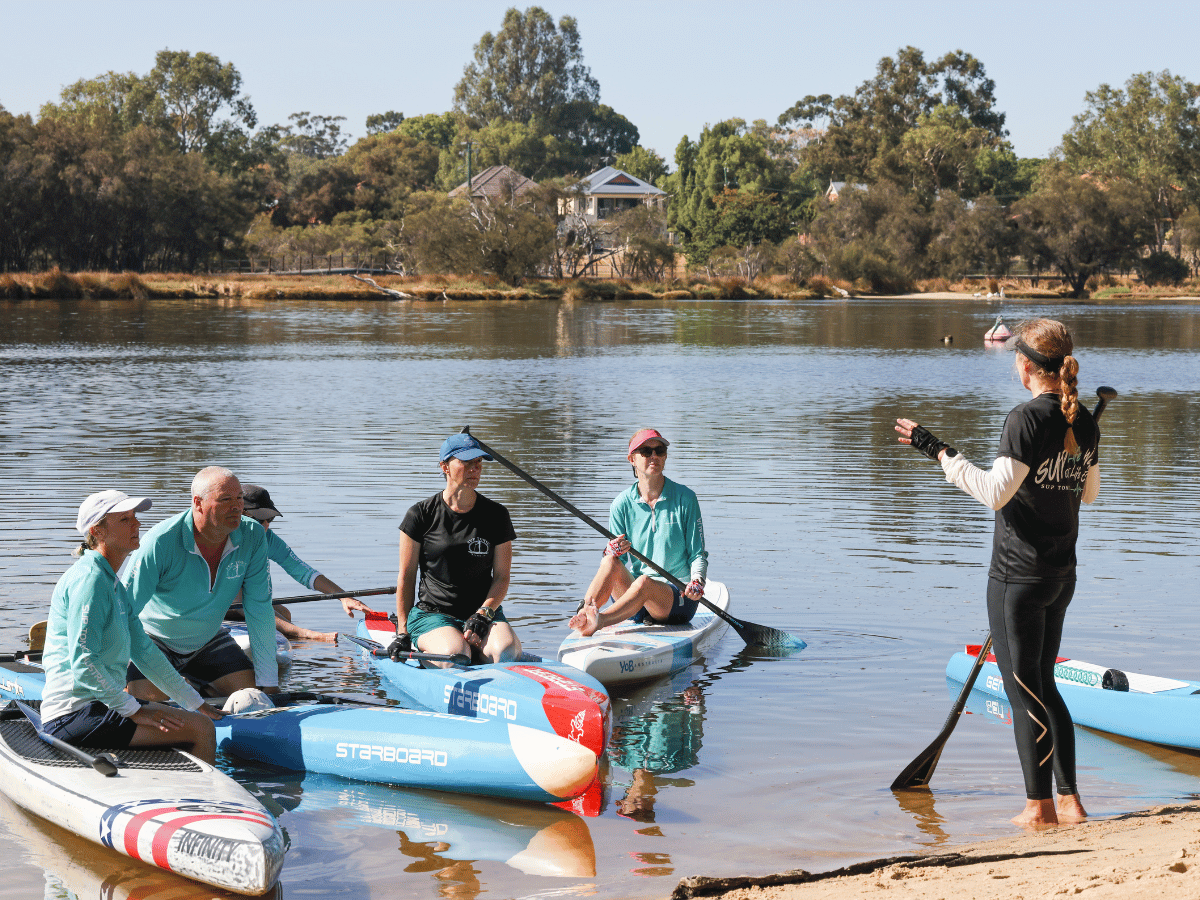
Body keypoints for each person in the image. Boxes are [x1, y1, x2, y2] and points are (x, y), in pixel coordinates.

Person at [895, 318, 1100, 827]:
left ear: (1025, 365)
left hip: (1017, 577)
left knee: (1022, 687)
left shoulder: (1024, 419)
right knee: (1044, 684)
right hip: (1061, 576)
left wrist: (937, 450)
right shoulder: (1085, 421)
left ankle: (1038, 807)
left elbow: (993, 494)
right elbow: (1089, 495)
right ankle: (1070, 802)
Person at [39, 490, 222, 764]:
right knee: (202, 730)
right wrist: (133, 710)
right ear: (97, 531)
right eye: (124, 519)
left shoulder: (113, 583)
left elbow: (145, 651)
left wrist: (195, 702)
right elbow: (83, 662)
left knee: (197, 719)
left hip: (99, 706)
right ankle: (206, 803)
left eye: (135, 517)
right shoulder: (90, 581)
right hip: (73, 714)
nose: (137, 524)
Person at [124, 467, 279, 700]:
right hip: (154, 640)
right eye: (225, 499)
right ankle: (181, 688)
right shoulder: (160, 541)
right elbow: (123, 610)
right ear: (198, 502)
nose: (237, 507)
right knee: (151, 699)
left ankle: (194, 687)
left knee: (253, 697)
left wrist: (269, 682)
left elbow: (259, 608)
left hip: (207, 639)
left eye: (238, 498)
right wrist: (110, 671)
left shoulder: (254, 535)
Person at [388, 433, 521, 665]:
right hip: (434, 614)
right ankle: (457, 652)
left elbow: (501, 577)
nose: (475, 469)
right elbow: (407, 578)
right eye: (466, 462)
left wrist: (484, 613)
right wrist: (402, 632)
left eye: (478, 463)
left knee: (507, 653)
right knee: (456, 657)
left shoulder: (497, 515)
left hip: (482, 613)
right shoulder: (419, 515)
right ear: (444, 467)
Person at [569, 428, 708, 637]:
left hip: (676, 599)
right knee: (609, 561)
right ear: (632, 459)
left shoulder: (686, 498)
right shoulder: (620, 504)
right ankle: (585, 612)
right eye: (646, 451)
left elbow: (698, 554)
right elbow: (618, 562)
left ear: (665, 456)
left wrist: (697, 580)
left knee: (644, 582)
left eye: (659, 450)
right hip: (634, 602)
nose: (654, 456)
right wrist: (611, 551)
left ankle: (599, 621)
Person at [226, 484, 375, 643]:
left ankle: (292, 640)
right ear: (240, 513)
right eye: (259, 519)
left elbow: (302, 571)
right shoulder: (223, 535)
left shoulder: (268, 538)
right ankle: (305, 634)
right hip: (219, 603)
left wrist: (345, 597)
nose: (266, 525)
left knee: (284, 612)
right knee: (241, 597)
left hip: (245, 604)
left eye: (270, 518)